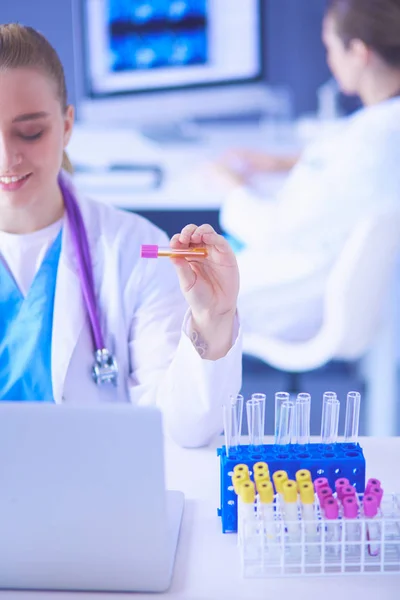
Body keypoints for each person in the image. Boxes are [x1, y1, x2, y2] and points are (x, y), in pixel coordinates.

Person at [0, 23, 242, 448]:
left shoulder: (133, 251)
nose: (7, 156)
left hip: (96, 504)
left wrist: (212, 322)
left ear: (67, 125)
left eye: (31, 132)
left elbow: (182, 431)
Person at [213, 0, 400, 342]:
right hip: (313, 272)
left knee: (158, 283)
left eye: (330, 47)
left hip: (291, 296)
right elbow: (349, 175)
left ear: (358, 52)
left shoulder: (367, 144)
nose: (329, 60)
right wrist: (286, 163)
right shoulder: (383, 129)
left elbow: (274, 230)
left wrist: (231, 185)